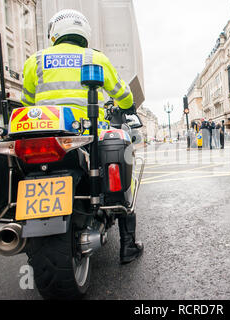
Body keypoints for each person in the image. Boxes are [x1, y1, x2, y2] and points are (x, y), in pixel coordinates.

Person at [21, 9, 143, 264]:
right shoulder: (94, 58)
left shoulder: (36, 60)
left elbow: (26, 102)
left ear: (54, 34)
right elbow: (123, 94)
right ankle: (128, 245)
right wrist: (127, 105)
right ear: (84, 33)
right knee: (120, 165)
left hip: (46, 134)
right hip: (87, 133)